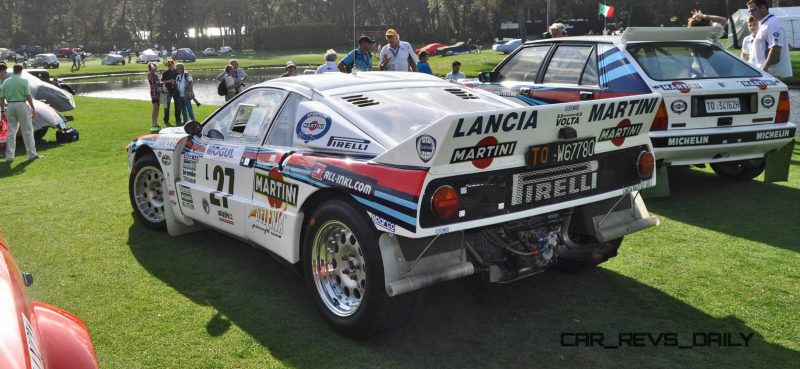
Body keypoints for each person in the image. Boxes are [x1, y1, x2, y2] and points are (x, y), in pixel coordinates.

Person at [1, 64, 41, 162]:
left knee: (11, 132)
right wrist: (33, 108)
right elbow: (28, 96)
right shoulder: (23, 81)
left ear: (13, 70)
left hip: (10, 106)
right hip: (21, 105)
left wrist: (2, 110)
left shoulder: (6, 82)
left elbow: (1, 98)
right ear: (21, 71)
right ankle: (32, 154)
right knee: (27, 130)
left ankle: (9, 157)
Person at [747, 0, 792, 77]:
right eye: (749, 11)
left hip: (769, 73)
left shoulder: (772, 23)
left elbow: (776, 47)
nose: (751, 13)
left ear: (764, 8)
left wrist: (765, 66)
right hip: (762, 72)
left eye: (753, 10)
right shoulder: (764, 23)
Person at [161, 60, 181, 126]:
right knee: (166, 107)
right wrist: (169, 81)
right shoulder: (165, 73)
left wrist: (175, 82)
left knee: (177, 106)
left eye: (170, 64)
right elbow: (162, 82)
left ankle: (178, 120)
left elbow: (180, 80)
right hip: (167, 91)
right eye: (168, 65)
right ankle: (166, 120)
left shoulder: (177, 72)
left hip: (176, 91)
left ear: (173, 64)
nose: (169, 66)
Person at [147, 63, 161, 132]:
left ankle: (156, 122)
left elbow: (159, 83)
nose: (156, 67)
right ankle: (153, 123)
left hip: (159, 93)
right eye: (155, 66)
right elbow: (152, 69)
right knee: (155, 108)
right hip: (154, 93)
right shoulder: (150, 74)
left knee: (158, 108)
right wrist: (151, 65)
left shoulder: (156, 74)